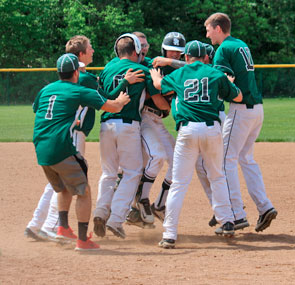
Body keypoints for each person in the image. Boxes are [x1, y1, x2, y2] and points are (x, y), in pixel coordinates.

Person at [25, 35, 143, 242]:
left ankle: (37, 224)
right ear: (80, 55)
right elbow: (108, 99)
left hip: (60, 135)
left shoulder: (64, 82)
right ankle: (50, 225)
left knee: (58, 183)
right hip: (71, 135)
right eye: (89, 48)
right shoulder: (83, 78)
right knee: (67, 184)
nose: (93, 51)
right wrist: (125, 83)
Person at [150, 40, 243, 249]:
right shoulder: (215, 73)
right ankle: (227, 221)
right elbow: (237, 95)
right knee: (217, 176)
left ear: (186, 58)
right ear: (205, 57)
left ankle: (169, 234)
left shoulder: (180, 74)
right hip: (211, 130)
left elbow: (159, 87)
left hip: (188, 131)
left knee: (179, 184)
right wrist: (229, 82)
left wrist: (156, 76)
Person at [204, 12, 277, 233]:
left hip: (241, 109)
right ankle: (265, 207)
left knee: (225, 161)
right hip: (257, 110)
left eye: (208, 29)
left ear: (218, 28)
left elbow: (223, 81)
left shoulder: (223, 49)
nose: (207, 34)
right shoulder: (240, 44)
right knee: (246, 158)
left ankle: (236, 215)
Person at [92, 33, 170, 239]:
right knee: (132, 172)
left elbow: (102, 92)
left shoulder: (108, 68)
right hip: (128, 125)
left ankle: (101, 211)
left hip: (106, 125)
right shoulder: (143, 70)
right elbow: (159, 101)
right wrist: (168, 106)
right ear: (136, 50)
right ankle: (116, 219)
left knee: (109, 173)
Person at [126, 32, 186, 228]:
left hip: (157, 121)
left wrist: (170, 63)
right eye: (171, 51)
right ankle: (140, 201)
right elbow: (155, 98)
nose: (175, 55)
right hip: (145, 117)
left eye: (179, 52)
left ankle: (159, 204)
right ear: (163, 49)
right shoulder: (152, 64)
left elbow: (196, 67)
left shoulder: (174, 66)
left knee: (178, 161)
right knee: (155, 158)